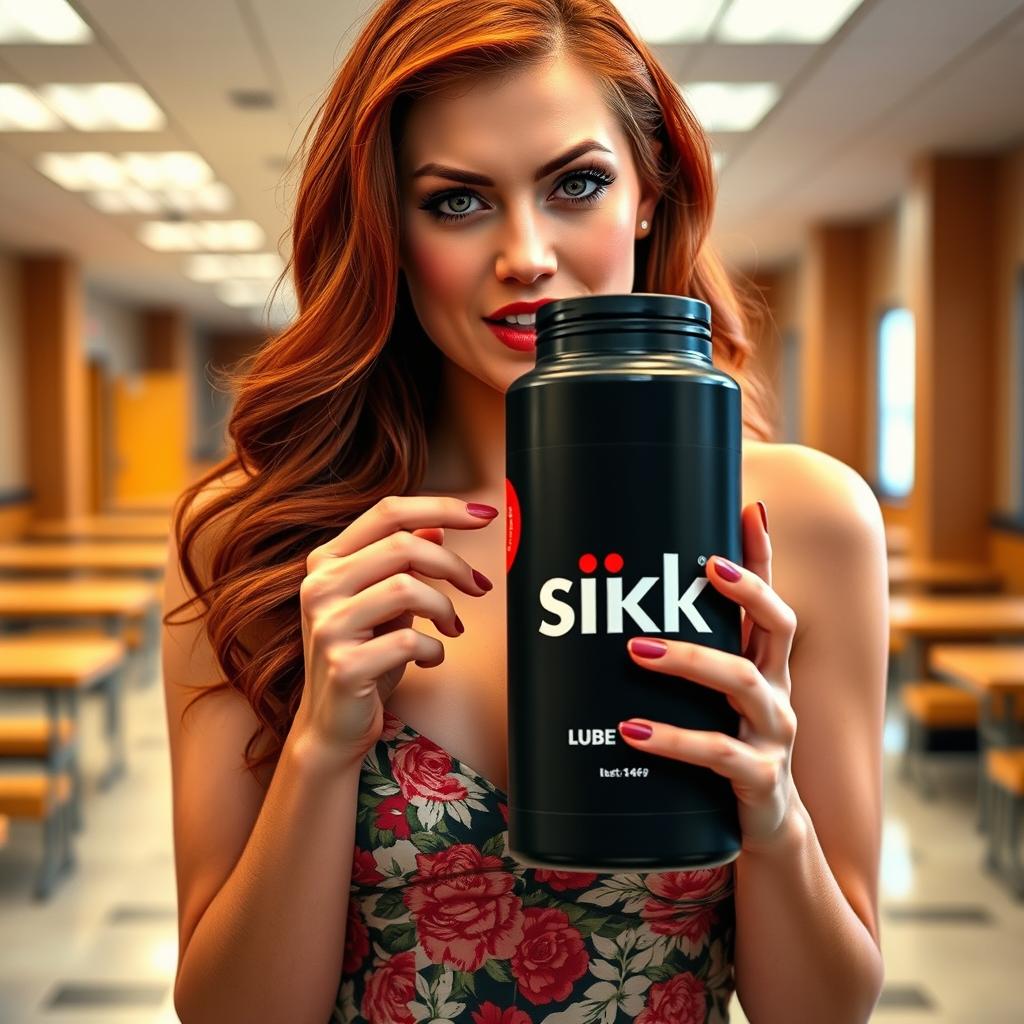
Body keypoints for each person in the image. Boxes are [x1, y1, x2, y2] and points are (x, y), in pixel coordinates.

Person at [163, 1, 888, 1021]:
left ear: (649, 191)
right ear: (389, 229)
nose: (526, 255)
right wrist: (321, 748)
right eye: (457, 202)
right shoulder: (259, 536)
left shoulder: (804, 522)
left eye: (575, 184)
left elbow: (823, 1011)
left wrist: (773, 813)